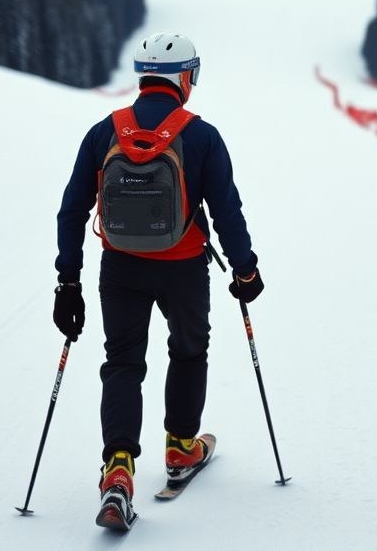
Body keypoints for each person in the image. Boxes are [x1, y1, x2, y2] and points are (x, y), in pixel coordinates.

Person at [53, 31, 263, 530]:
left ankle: (118, 468)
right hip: (183, 268)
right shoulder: (203, 136)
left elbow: (71, 209)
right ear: (185, 78)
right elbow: (227, 211)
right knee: (188, 351)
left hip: (120, 268)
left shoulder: (104, 132)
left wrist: (68, 282)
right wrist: (245, 268)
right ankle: (181, 448)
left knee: (122, 362)